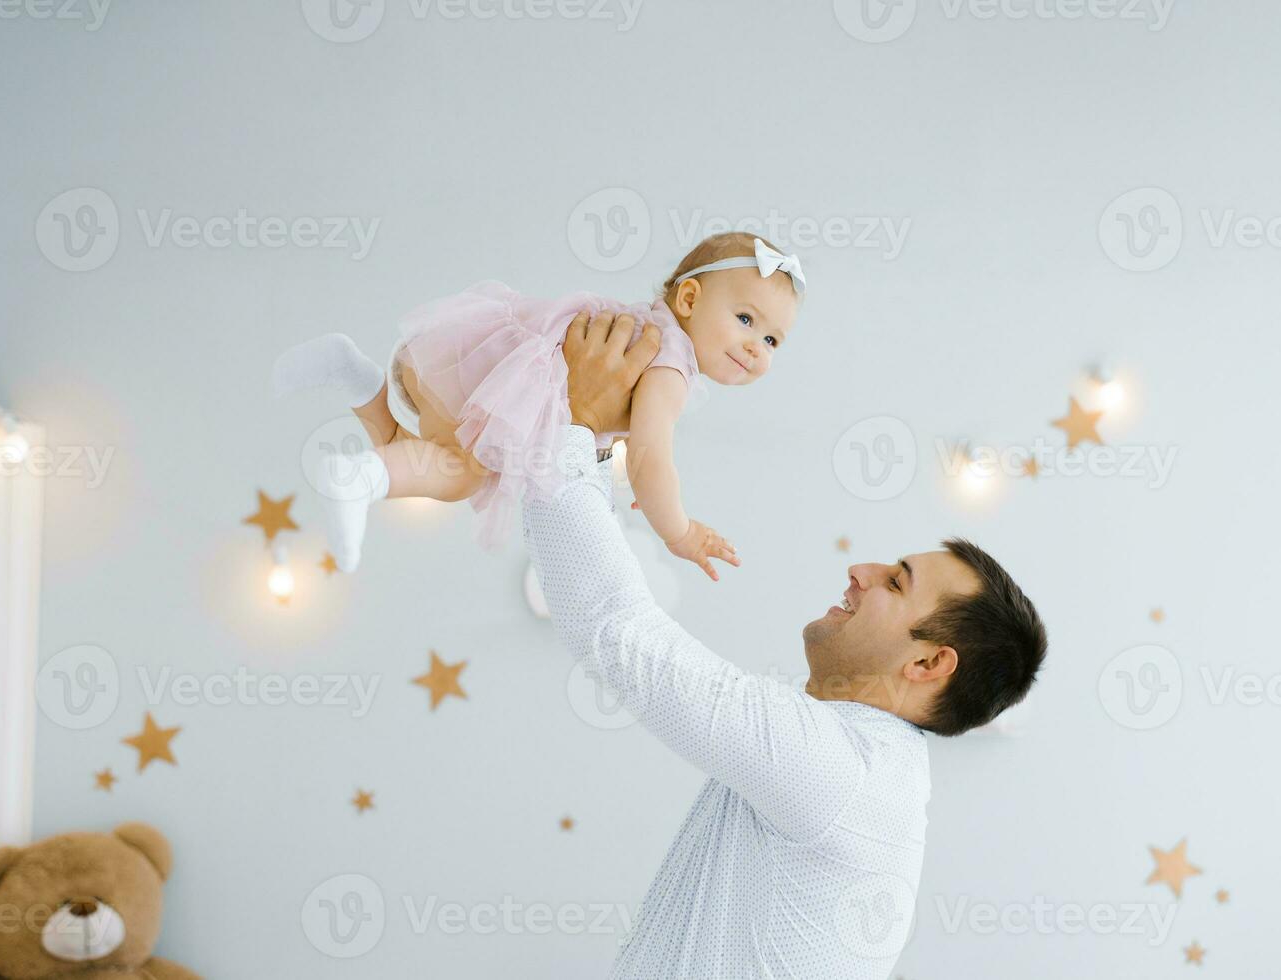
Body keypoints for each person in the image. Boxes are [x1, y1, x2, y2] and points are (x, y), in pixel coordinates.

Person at [525, 310, 1049, 979]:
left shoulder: (843, 771)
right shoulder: (856, 765)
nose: (859, 571)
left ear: (926, 664)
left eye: (895, 581)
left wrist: (577, 428)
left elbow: (617, 630)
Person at [270, 233, 803, 575]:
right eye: (747, 320)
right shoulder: (669, 365)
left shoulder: (656, 336)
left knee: (418, 459)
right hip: (491, 376)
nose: (757, 347)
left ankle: (358, 381)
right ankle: (355, 478)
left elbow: (611, 440)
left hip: (465, 354)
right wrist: (679, 531)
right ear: (689, 300)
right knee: (457, 475)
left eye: (774, 341)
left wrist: (624, 471)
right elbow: (654, 458)